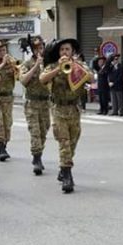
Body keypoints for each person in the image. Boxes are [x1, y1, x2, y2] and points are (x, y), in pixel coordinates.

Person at [39, 38, 91, 193]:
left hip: (74, 108)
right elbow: (42, 79)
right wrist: (58, 70)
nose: (64, 52)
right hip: (59, 109)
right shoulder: (53, 66)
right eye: (62, 50)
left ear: (72, 51)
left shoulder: (79, 64)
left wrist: (76, 67)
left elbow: (92, 77)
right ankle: (67, 176)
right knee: (64, 143)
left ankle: (64, 168)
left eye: (67, 49)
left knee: (73, 141)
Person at [19, 35, 50, 176]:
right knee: (35, 132)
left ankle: (38, 153)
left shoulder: (49, 63)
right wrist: (36, 66)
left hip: (45, 102)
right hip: (32, 102)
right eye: (37, 48)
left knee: (44, 130)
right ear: (32, 50)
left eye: (41, 47)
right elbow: (23, 81)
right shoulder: (26, 64)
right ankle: (37, 159)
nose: (40, 50)